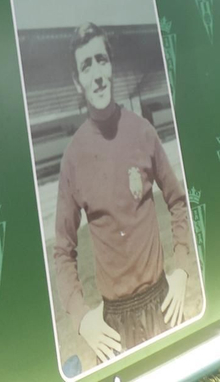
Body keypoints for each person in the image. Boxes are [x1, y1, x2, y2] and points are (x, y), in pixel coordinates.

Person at [51, 25, 196, 367]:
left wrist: (182, 269)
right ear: (77, 82)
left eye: (101, 60)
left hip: (163, 302)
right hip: (113, 324)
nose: (97, 74)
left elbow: (177, 202)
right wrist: (82, 316)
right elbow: (62, 251)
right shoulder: (73, 158)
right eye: (86, 66)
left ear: (111, 67)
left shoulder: (143, 132)